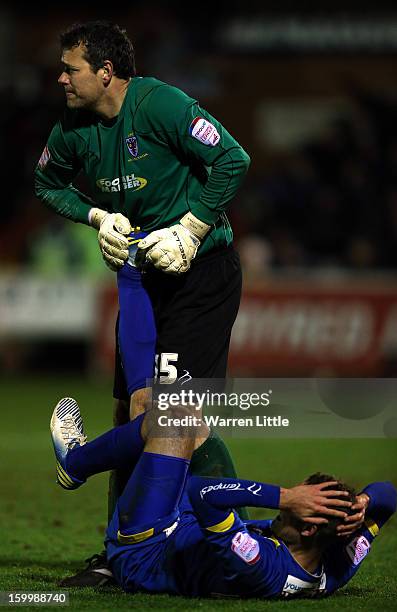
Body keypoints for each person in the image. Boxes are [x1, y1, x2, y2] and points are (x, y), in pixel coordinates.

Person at [35, 20, 251, 585]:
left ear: (106, 72)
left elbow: (234, 159)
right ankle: (118, 554)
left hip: (199, 274)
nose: (60, 78)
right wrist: (96, 216)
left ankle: (225, 537)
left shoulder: (163, 105)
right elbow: (46, 184)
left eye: (70, 68)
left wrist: (192, 228)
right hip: (141, 278)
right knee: (130, 411)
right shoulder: (72, 128)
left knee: (173, 418)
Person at [50, 396, 396, 598]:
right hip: (185, 529)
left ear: (307, 529)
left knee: (171, 420)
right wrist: (363, 503)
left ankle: (76, 462)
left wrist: (284, 496)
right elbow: (389, 496)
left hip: (145, 550)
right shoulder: (333, 563)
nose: (290, 506)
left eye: (294, 509)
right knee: (188, 419)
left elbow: (203, 494)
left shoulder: (263, 567)